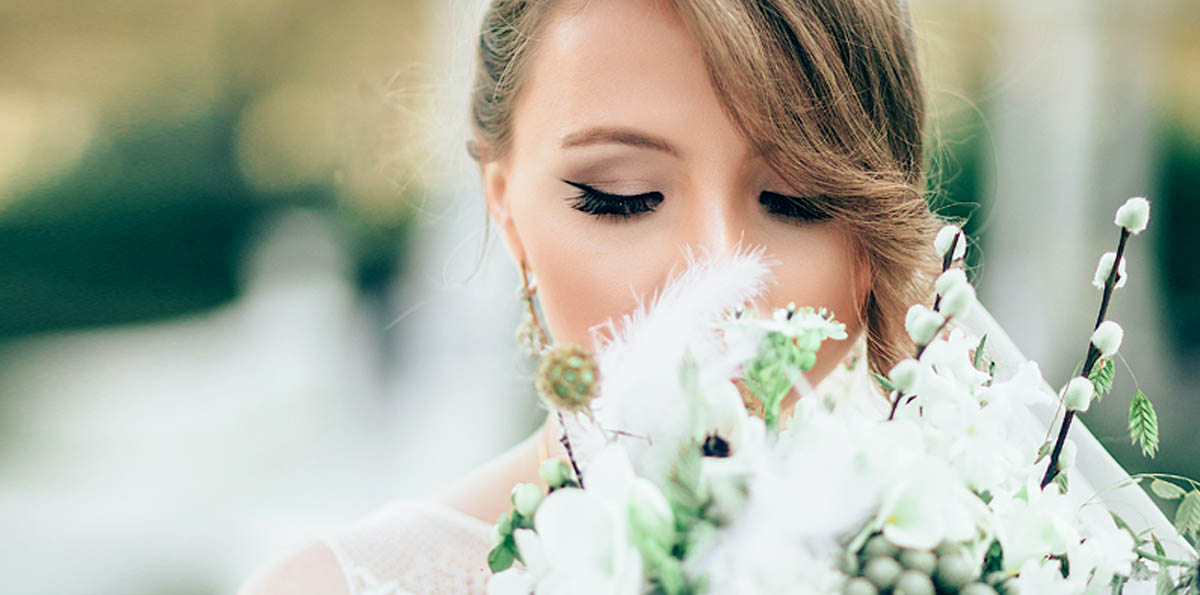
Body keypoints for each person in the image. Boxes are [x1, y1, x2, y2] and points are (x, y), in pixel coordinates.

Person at [239, 0, 945, 592]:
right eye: (622, 198)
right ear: (505, 205)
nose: (717, 275)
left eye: (798, 202)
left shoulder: (989, 546)